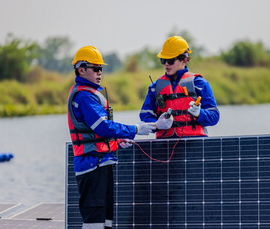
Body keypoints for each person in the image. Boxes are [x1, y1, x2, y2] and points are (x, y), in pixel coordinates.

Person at [67, 45, 156, 229]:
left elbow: (99, 132)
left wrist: (116, 141)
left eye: (102, 69)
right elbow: (103, 127)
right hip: (91, 166)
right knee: (94, 223)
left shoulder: (90, 94)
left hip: (102, 163)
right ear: (81, 69)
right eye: (96, 68)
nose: (100, 73)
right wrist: (137, 129)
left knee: (105, 222)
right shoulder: (84, 96)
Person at [140, 36, 220, 138]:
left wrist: (200, 113)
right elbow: (145, 115)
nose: (166, 64)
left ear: (184, 59)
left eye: (171, 60)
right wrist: (157, 124)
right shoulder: (154, 87)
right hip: (164, 147)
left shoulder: (200, 84)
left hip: (195, 147)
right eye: (163, 60)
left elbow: (214, 117)